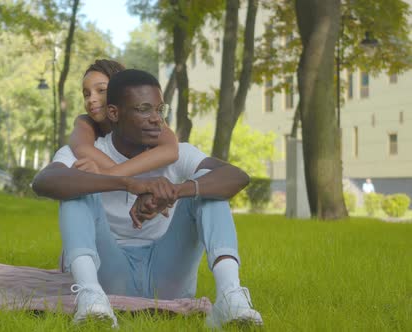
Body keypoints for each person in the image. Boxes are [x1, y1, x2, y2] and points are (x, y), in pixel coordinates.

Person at [32, 69, 263, 328]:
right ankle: (89, 296)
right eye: (144, 109)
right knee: (75, 186)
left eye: (159, 110)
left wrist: (173, 192)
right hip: (110, 275)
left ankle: (231, 296)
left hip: (168, 275)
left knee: (210, 188)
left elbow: (236, 176)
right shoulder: (88, 155)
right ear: (114, 113)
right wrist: (129, 184)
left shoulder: (179, 153)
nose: (156, 120)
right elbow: (44, 182)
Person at [70, 59, 179, 176]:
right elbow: (82, 148)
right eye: (86, 94)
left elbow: (171, 150)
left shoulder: (151, 122)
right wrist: (124, 181)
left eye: (101, 90)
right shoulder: (85, 121)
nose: (91, 99)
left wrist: (111, 174)